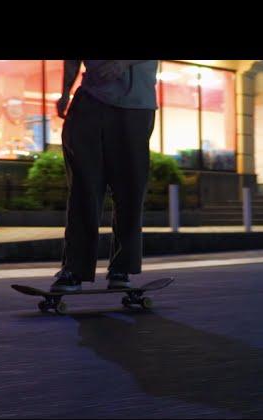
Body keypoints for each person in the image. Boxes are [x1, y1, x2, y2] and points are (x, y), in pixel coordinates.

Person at [51, 60, 159, 292]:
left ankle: (122, 267)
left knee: (129, 189)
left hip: (134, 106)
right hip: (90, 101)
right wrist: (65, 92)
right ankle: (74, 268)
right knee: (83, 188)